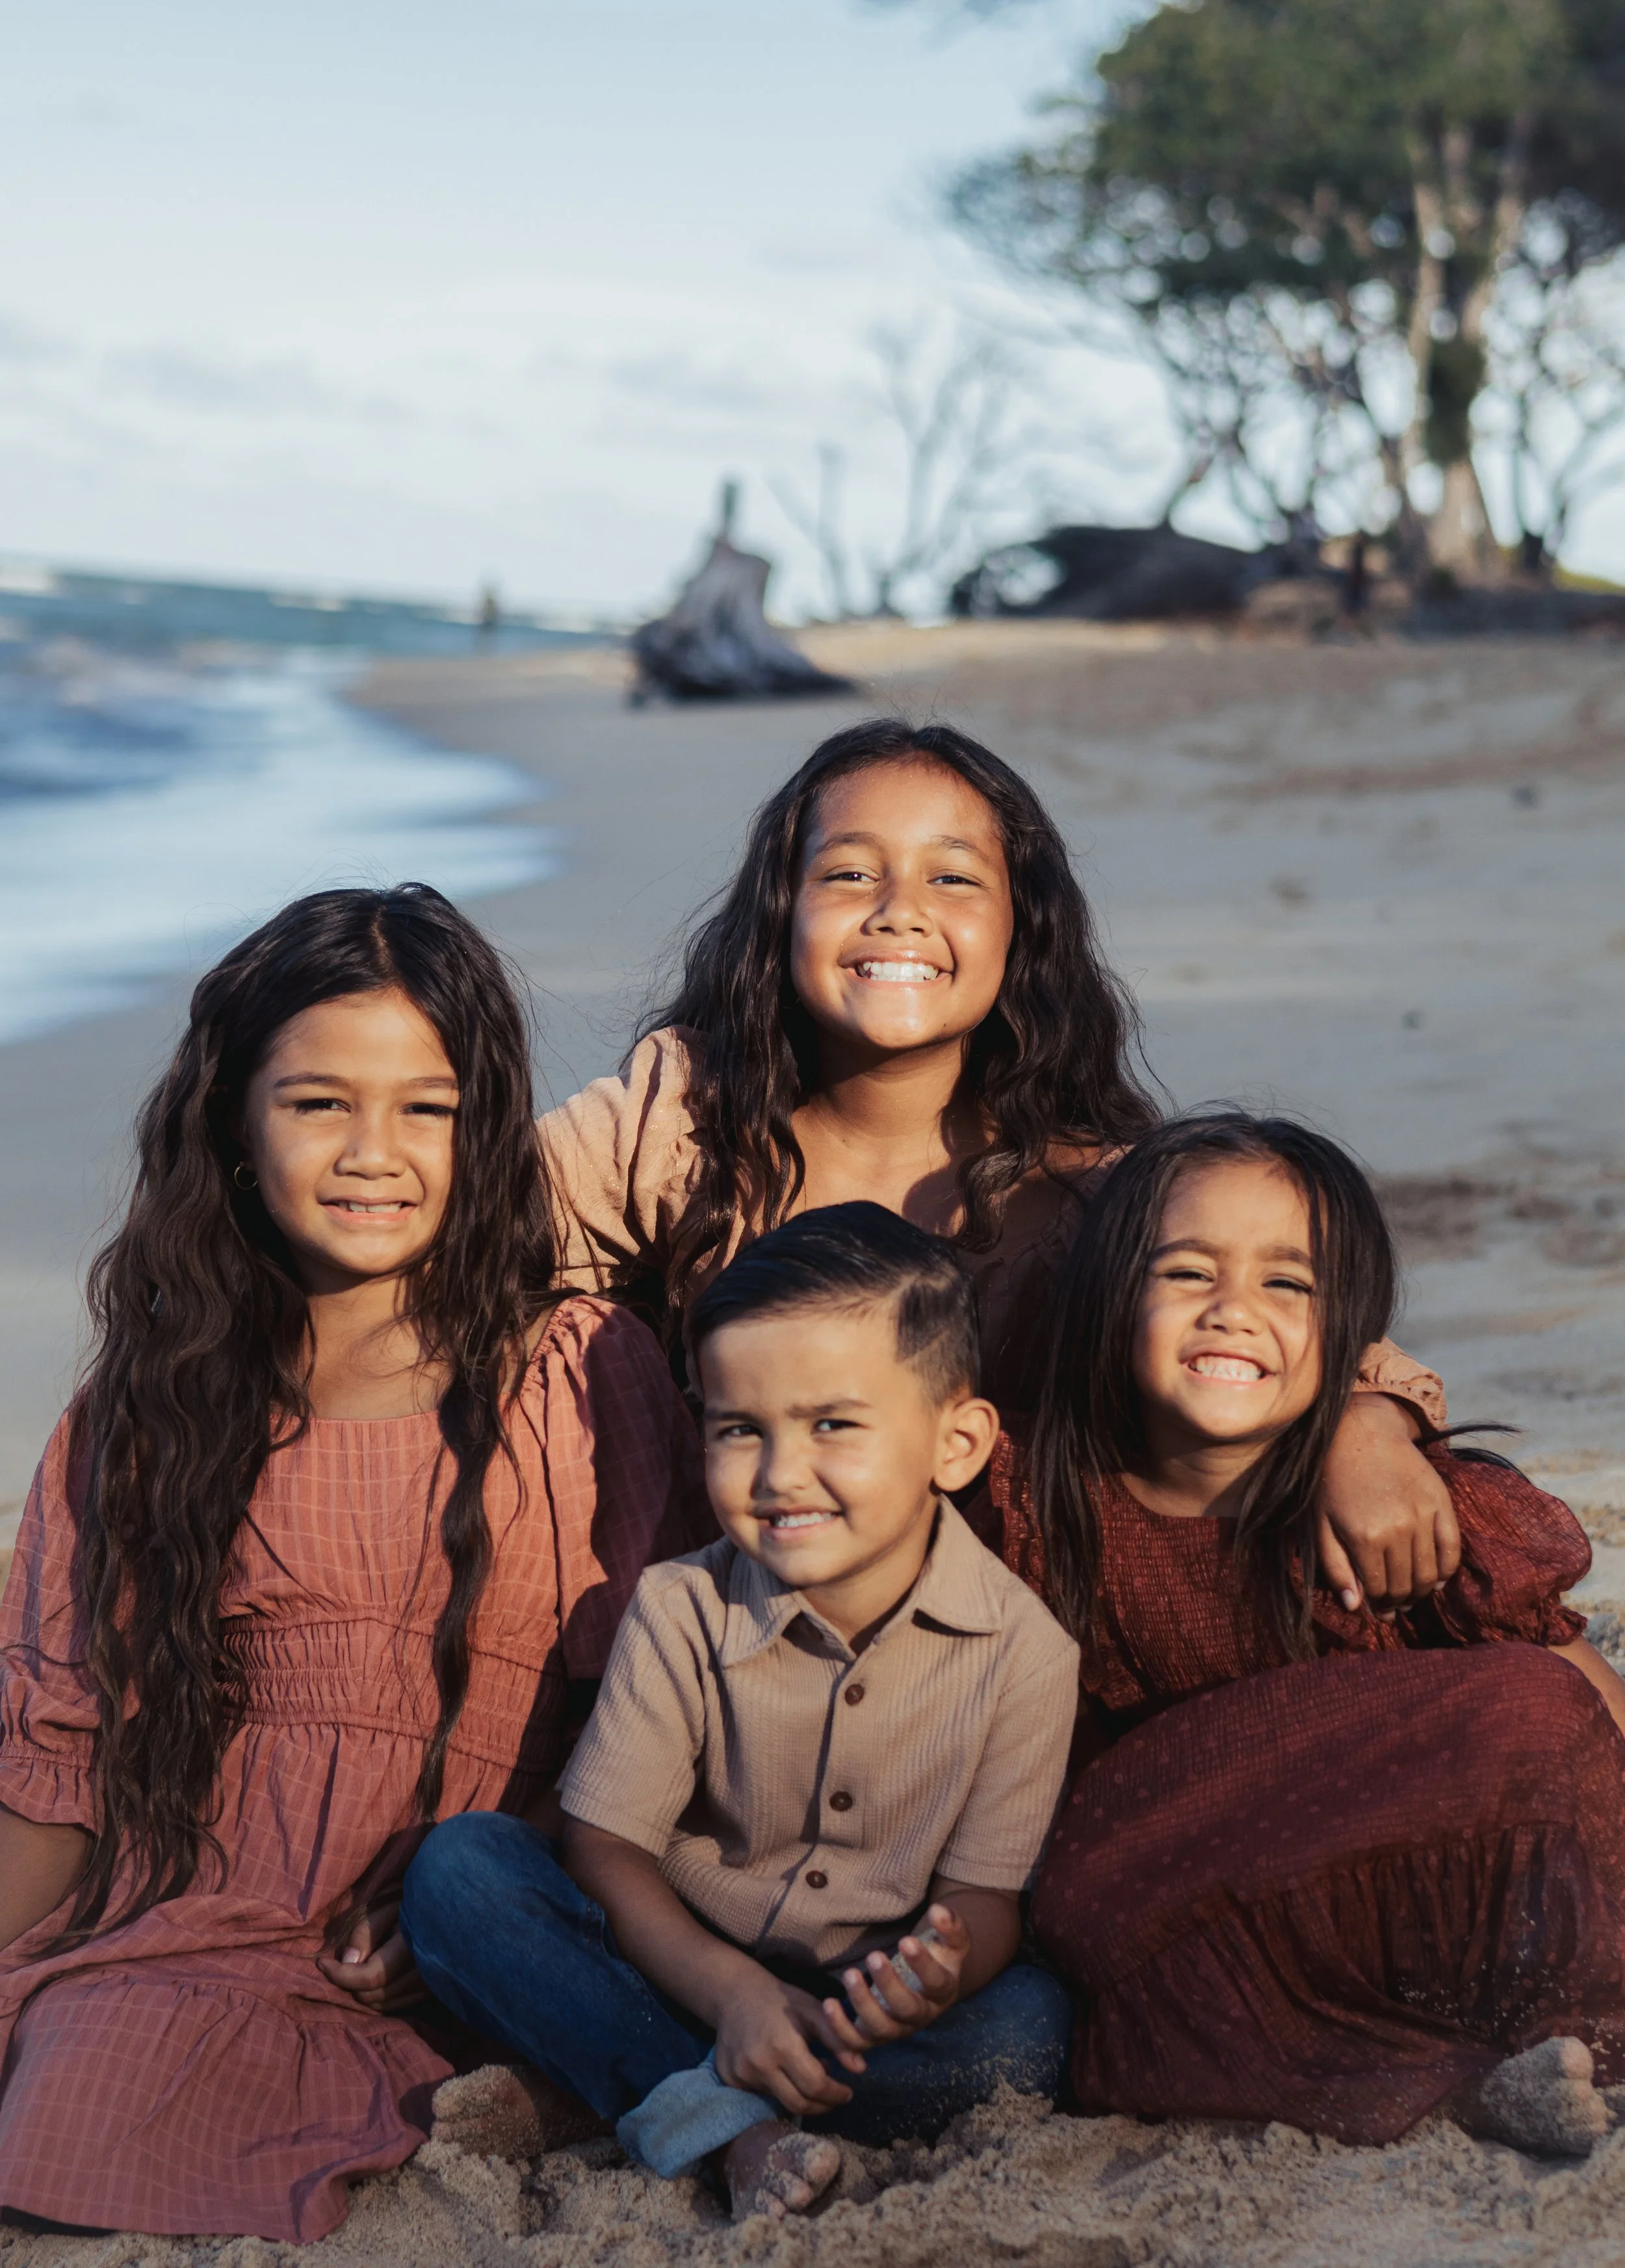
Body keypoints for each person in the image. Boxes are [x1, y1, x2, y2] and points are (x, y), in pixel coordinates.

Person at [0, 886, 707, 2243]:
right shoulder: (156, 1406)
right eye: (318, 1102)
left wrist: (519, 1852)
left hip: (488, 1917)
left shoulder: (573, 1371)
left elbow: (657, 1704)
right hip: (208, 1926)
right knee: (70, 2106)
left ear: (483, 1126)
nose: (372, 1151)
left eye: (424, 1107)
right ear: (234, 1123)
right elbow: (58, 1747)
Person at [540, 715, 1459, 1616]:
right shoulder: (689, 1125)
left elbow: (1289, 1328)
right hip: (724, 1618)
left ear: (1024, 930)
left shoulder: (1093, 1192)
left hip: (1016, 1656)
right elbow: (471, 1219)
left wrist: (1364, 1425)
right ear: (783, 914)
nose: (900, 911)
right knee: (560, 1338)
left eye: (953, 878)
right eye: (851, 872)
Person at [401, 1203, 1080, 2221]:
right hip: (671, 1965)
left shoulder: (1025, 1654)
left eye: (834, 1425)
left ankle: (637, 2091)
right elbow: (605, 1850)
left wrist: (935, 1975)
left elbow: (986, 1904)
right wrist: (730, 1994)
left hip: (853, 2020)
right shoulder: (682, 1607)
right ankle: (736, 2126)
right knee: (461, 1874)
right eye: (738, 1430)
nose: (779, 1474)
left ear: (957, 1442)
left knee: (1026, 2031)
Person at [978, 1111, 1625, 2156]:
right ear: (1107, 1300)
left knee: (1530, 1706)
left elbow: (1575, 1709)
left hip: (1397, 1899)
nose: (1235, 1313)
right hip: (1183, 1899)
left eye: (1288, 1286)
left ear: (1351, 1335)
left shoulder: (1398, 1507)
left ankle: (1532, 2053)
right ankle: (1455, 2080)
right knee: (1084, 1891)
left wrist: (1376, 1425)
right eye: (1188, 1275)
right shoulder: (1037, 1510)